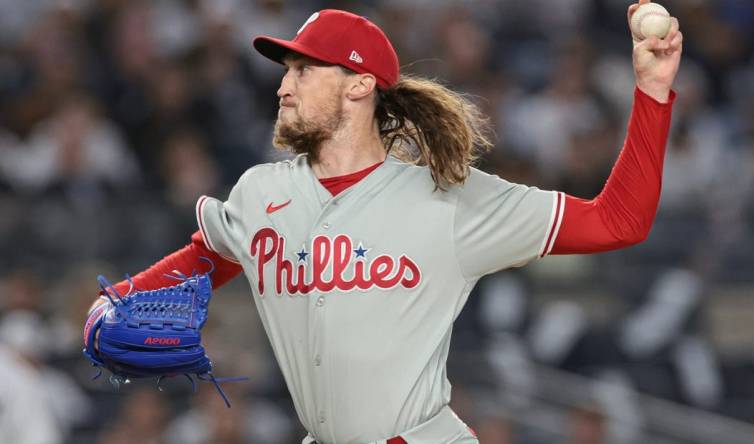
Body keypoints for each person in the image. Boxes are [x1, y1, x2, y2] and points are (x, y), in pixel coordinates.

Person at [87, 2, 683, 443]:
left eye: (302, 71)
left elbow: (619, 221)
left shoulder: (447, 197)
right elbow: (199, 262)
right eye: (285, 71)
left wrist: (652, 94)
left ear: (360, 86)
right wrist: (115, 302)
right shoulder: (259, 193)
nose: (282, 87)